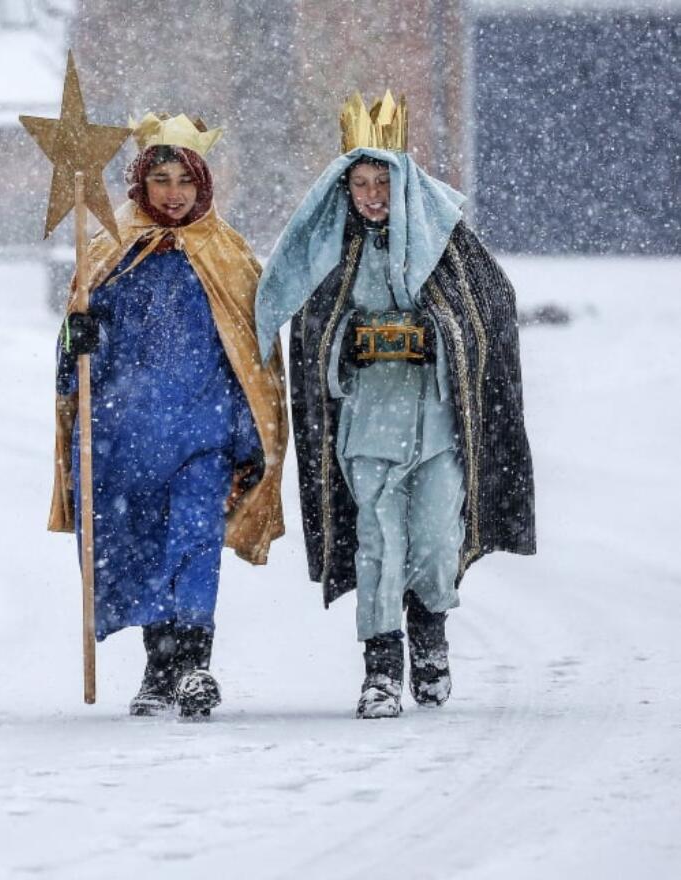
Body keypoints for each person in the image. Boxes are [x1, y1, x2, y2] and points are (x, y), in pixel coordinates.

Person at [254, 92, 535, 719]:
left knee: (436, 541)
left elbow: (487, 310)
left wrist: (433, 334)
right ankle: (381, 668)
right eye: (361, 182)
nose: (373, 195)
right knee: (377, 543)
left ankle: (429, 633)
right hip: (367, 424)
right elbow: (312, 330)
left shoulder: (447, 243)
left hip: (437, 422)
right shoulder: (336, 252)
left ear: (402, 181)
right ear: (345, 186)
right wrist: (349, 346)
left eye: (383, 181)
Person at [49, 113, 288, 718]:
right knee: (143, 552)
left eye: (185, 179)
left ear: (203, 182)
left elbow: (249, 357)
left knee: (194, 543)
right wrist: (80, 339)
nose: (174, 192)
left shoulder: (228, 255)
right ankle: (161, 669)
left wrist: (248, 436)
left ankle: (195, 666)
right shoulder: (108, 249)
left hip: (201, 439)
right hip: (125, 440)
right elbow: (77, 367)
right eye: (161, 179)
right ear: (141, 183)